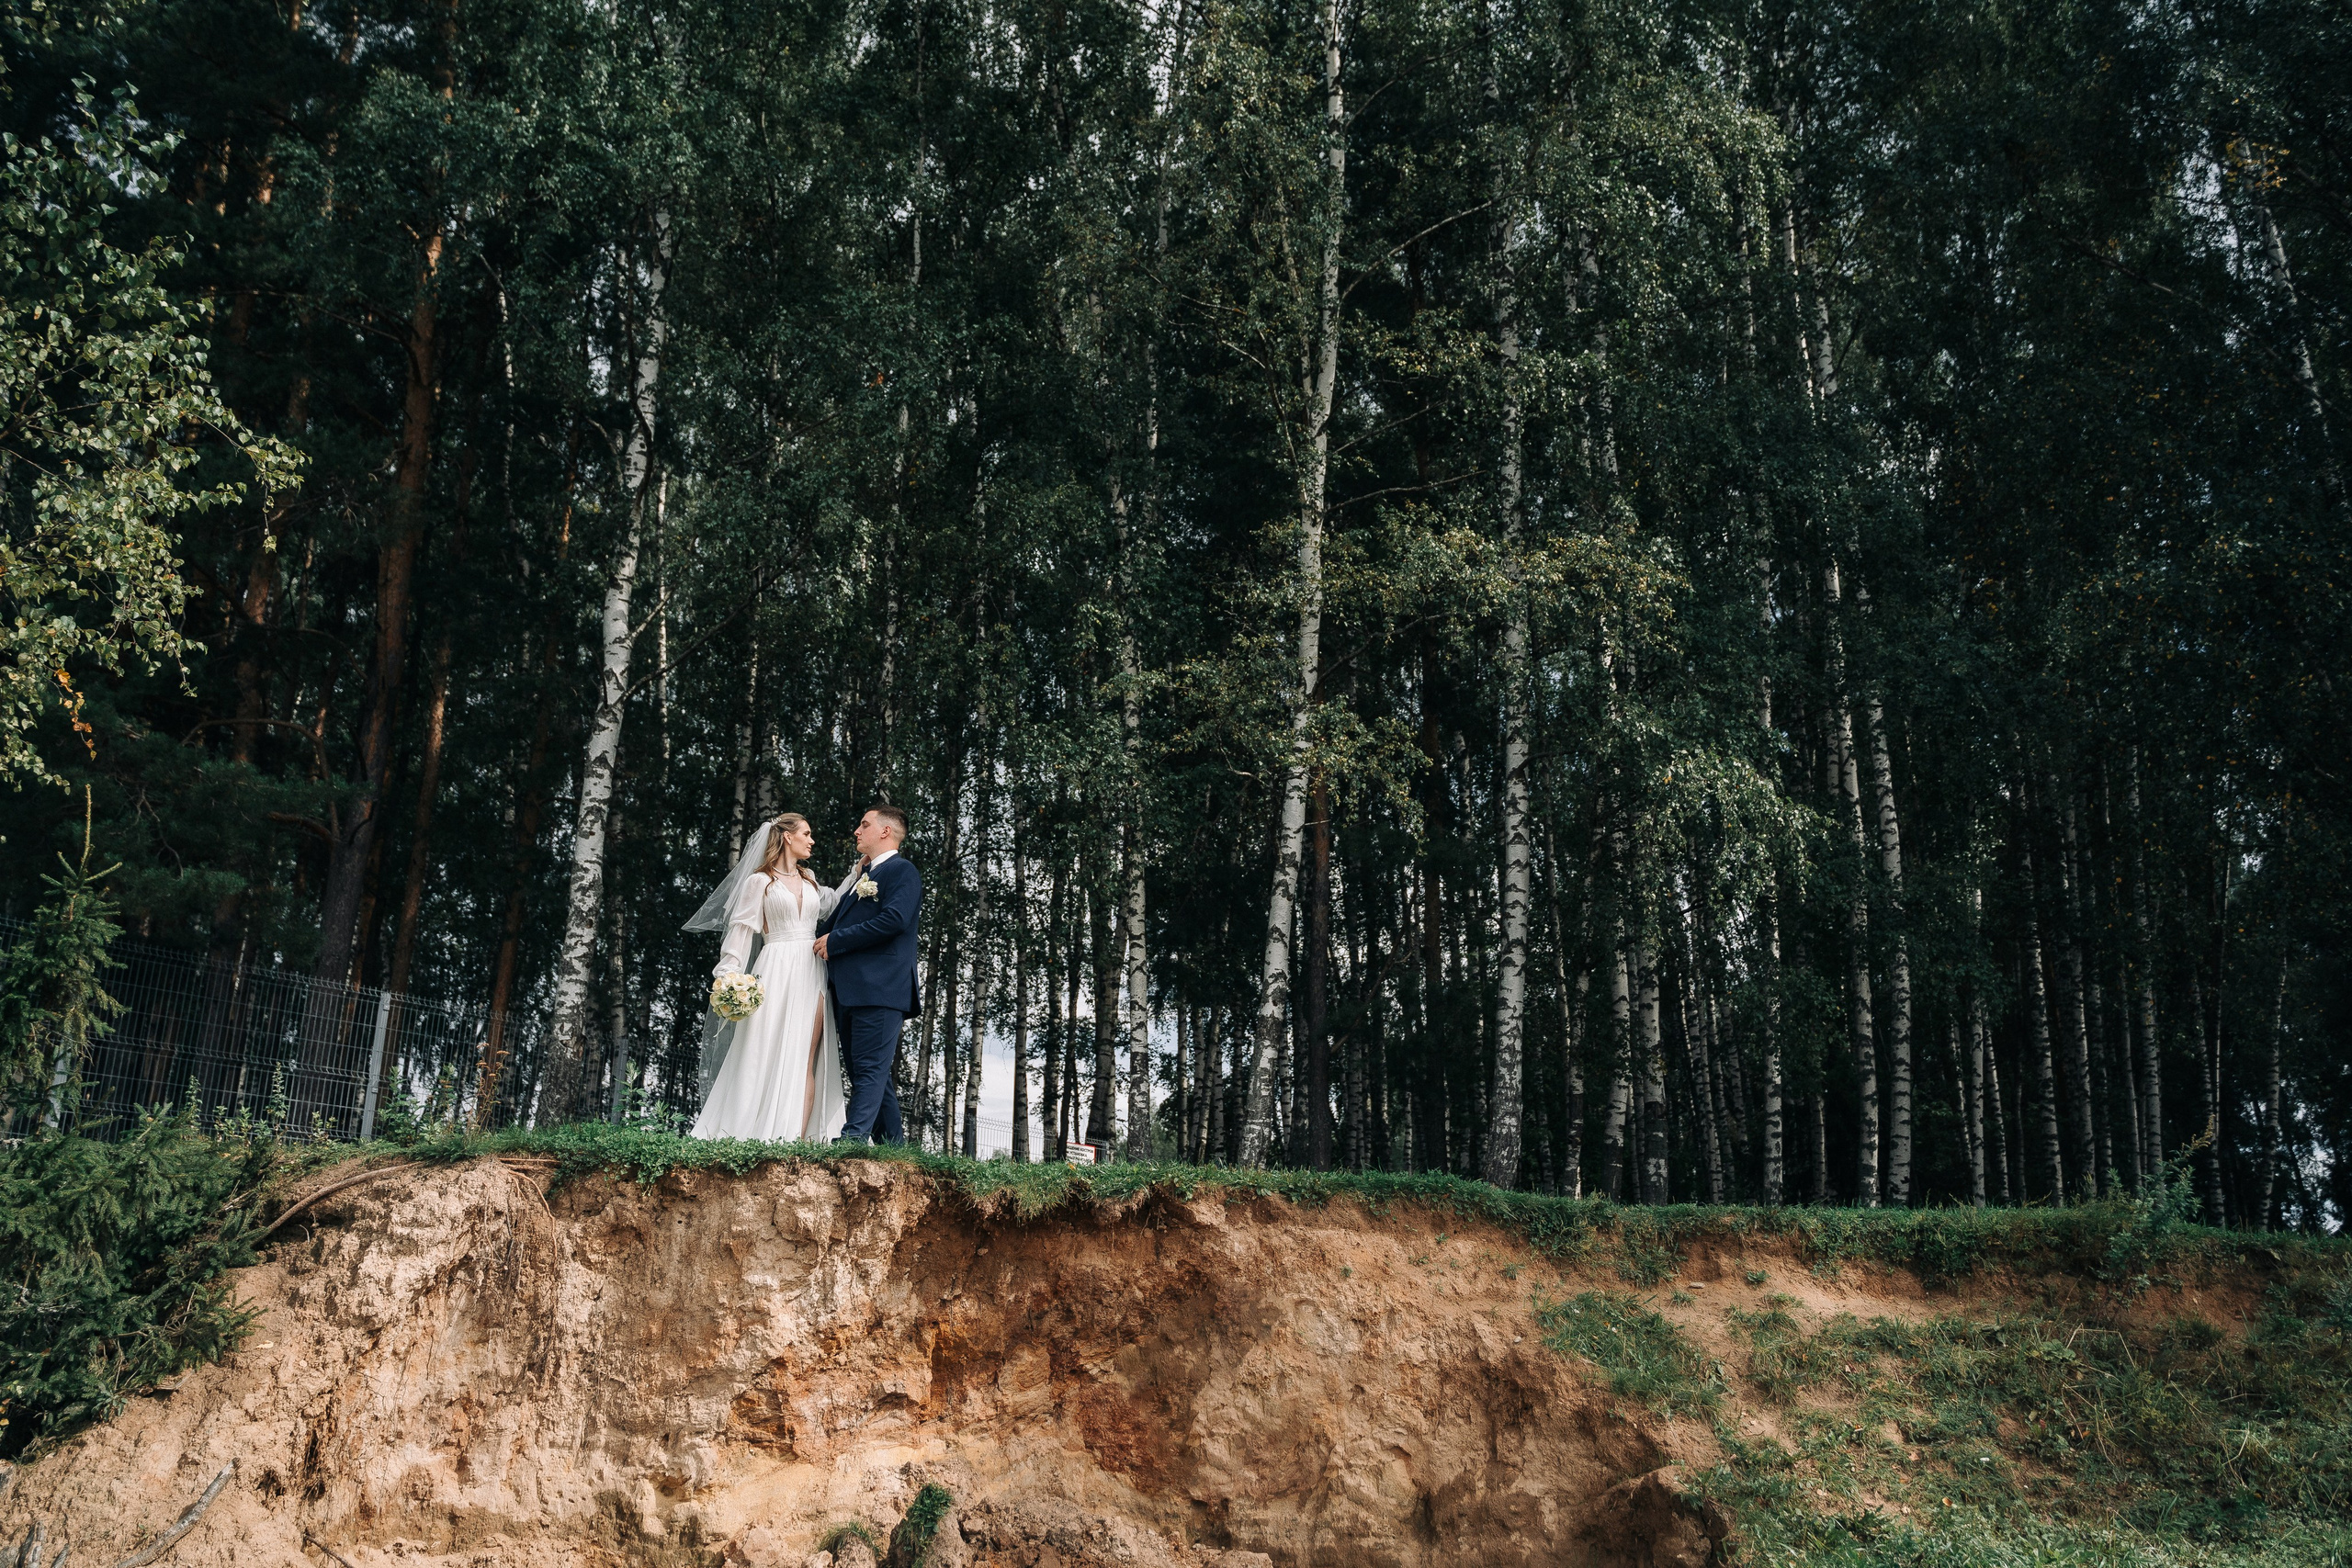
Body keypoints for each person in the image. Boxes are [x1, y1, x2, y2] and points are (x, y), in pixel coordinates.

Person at [684, 813, 848, 1142]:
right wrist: (728, 975)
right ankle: (744, 1131)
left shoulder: (811, 880)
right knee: (760, 1051)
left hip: (811, 969)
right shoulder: (759, 882)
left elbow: (835, 900)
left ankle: (797, 1138)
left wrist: (857, 874)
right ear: (788, 837)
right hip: (773, 966)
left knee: (806, 1056)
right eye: (807, 833)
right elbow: (741, 931)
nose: (812, 840)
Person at [814, 805, 923, 1145]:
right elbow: (829, 925)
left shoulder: (902, 871)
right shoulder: (864, 877)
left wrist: (838, 940)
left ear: (885, 832)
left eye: (864, 825)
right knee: (870, 1073)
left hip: (881, 987)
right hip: (850, 990)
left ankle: (854, 1137)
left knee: (870, 1069)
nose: (857, 831)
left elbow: (895, 920)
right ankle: (895, 1147)